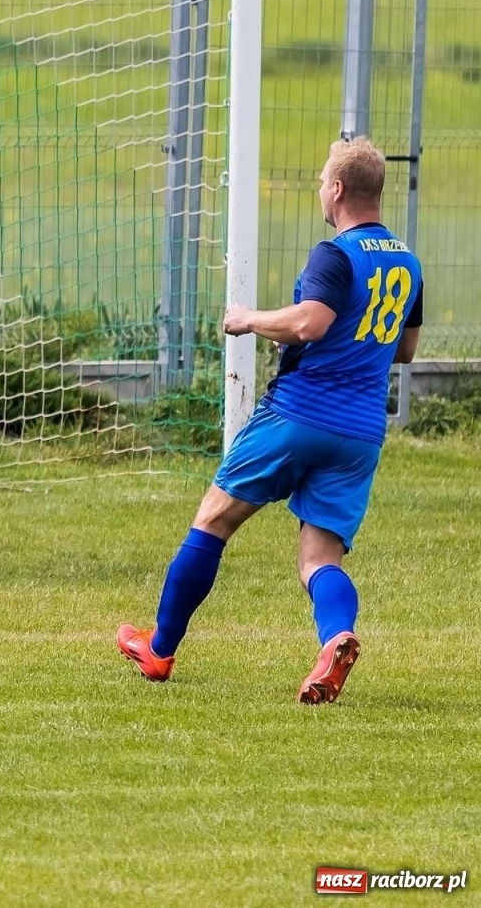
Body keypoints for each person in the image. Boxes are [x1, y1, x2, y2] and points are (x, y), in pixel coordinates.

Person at [117, 137, 423, 703]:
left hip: (298, 415)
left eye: (322, 182)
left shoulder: (335, 254)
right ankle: (336, 638)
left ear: (337, 189)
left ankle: (158, 648)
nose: (320, 190)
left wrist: (249, 319)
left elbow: (309, 323)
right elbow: (404, 349)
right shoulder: (408, 262)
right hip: (360, 433)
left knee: (213, 521)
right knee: (320, 558)